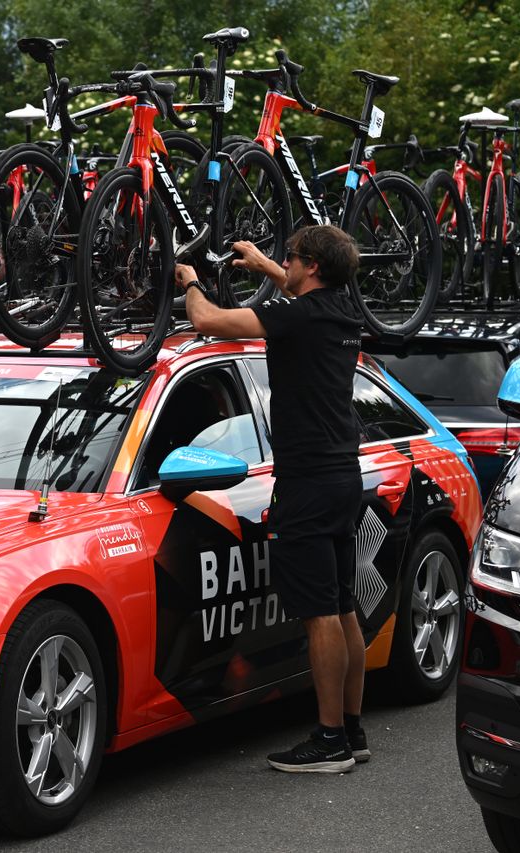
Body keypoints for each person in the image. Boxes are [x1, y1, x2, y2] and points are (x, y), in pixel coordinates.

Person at [175, 225, 366, 774]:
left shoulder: (297, 317)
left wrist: (190, 282)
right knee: (343, 606)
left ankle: (329, 740)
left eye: (292, 257)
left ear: (312, 267)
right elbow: (302, 294)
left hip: (305, 483)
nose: (288, 263)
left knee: (321, 615)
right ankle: (352, 729)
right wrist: (264, 265)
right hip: (342, 478)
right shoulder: (341, 310)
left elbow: (206, 322)